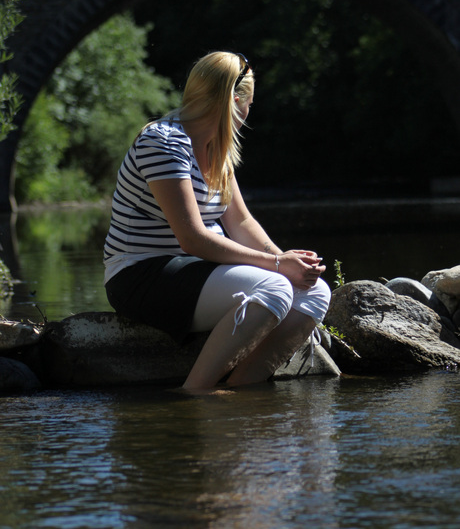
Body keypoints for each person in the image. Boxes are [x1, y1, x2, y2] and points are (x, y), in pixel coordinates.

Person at [104, 51, 331, 391]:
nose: (248, 115)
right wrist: (275, 265)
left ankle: (239, 394)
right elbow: (192, 239)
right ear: (234, 101)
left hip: (195, 270)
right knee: (274, 286)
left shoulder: (216, 151)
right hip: (141, 274)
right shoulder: (163, 142)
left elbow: (241, 222)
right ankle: (195, 394)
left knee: (314, 292)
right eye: (249, 105)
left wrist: (289, 262)